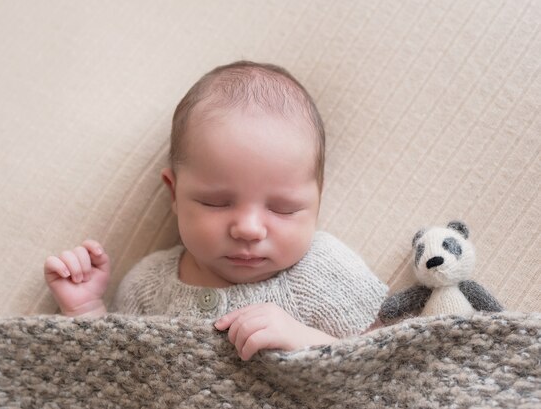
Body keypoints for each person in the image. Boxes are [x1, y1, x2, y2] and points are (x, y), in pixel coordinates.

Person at [44, 61, 388, 361]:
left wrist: (308, 343)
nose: (249, 229)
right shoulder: (147, 286)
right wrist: (86, 311)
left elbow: (386, 365)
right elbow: (115, 376)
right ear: (174, 193)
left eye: (283, 208)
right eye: (217, 203)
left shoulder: (326, 271)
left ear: (317, 199)